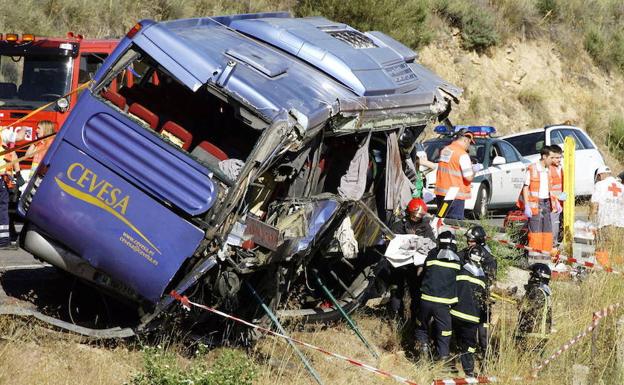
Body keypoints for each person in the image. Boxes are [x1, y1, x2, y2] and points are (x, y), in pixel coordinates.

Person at [414, 231, 461, 360]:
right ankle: (442, 358)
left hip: (426, 300)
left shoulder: (431, 256)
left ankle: (423, 351)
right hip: (443, 305)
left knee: (422, 327)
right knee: (444, 332)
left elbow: (422, 275)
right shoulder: (458, 262)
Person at [388, 198, 435, 318]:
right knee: (396, 293)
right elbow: (391, 244)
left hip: (416, 267)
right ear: (409, 212)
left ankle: (415, 318)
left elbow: (432, 244)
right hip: (398, 266)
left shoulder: (425, 227)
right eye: (415, 215)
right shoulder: (398, 226)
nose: (417, 218)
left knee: (416, 293)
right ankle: (396, 319)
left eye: (419, 216)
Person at [517, 146, 560, 264]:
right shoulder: (532, 168)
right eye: (551, 157)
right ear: (544, 156)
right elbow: (525, 187)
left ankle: (544, 261)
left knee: (547, 233)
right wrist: (527, 205)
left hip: (547, 203)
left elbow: (551, 189)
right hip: (535, 205)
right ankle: (535, 261)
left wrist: (556, 202)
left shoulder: (549, 170)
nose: (553, 160)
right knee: (535, 233)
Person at [451, 245, 488, 377]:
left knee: (452, 339)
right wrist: (484, 320)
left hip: (455, 314)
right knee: (469, 346)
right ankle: (469, 372)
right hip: (472, 318)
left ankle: (449, 365)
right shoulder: (483, 279)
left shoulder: (460, 272)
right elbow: (485, 303)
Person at [462, 225, 497, 358]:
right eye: (468, 240)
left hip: (482, 298)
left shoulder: (489, 259)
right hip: (466, 295)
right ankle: (465, 351)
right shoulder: (465, 253)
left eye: (471, 241)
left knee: (483, 327)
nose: (468, 243)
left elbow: (490, 280)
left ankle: (486, 354)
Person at [434, 129, 476, 220]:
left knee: (442, 219)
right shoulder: (462, 154)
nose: (469, 146)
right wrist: (474, 171)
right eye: (469, 143)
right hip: (455, 196)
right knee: (454, 224)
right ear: (465, 140)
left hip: (442, 193)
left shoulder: (446, 150)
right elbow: (468, 177)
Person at [0, 126, 25, 250]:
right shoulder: (2, 132)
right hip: (1, 178)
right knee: (2, 208)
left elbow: (13, 154)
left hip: (4, 177)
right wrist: (24, 127)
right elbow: (19, 137)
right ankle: (4, 241)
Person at [517, 263, 553, 344]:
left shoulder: (535, 291)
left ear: (537, 277)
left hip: (532, 335)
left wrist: (518, 303)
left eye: (531, 275)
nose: (529, 278)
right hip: (538, 335)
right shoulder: (543, 291)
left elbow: (527, 309)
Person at [590, 166, 624, 246]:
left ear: (599, 175)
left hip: (606, 223)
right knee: (618, 249)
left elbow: (594, 206)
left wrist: (592, 223)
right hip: (621, 224)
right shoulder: (621, 186)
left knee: (604, 249)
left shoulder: (599, 185)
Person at [547, 145, 565, 246]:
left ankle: (557, 243)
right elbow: (550, 188)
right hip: (554, 203)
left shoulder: (560, 168)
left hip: (561, 201)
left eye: (560, 157)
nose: (559, 160)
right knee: (554, 226)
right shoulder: (549, 169)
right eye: (557, 158)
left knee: (560, 225)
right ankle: (552, 245)